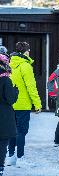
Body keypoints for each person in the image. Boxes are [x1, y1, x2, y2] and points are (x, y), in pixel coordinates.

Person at [6, 42, 42, 167]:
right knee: (22, 131)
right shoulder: (25, 66)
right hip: (23, 104)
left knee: (12, 131)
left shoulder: (9, 64)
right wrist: (37, 104)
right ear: (26, 51)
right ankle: (20, 158)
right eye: (29, 50)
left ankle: (11, 157)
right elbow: (31, 87)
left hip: (10, 104)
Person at [0, 46, 18, 176]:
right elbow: (10, 98)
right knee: (2, 143)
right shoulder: (5, 80)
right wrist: (15, 90)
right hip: (3, 117)